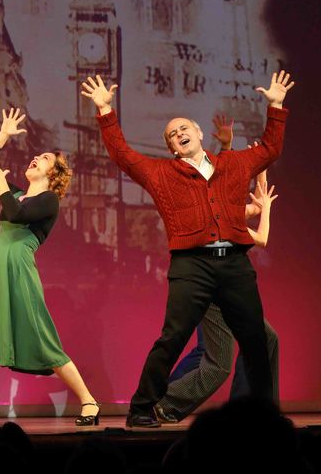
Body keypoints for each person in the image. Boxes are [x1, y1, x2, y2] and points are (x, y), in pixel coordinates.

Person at [82, 71, 294, 427]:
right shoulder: (162, 173)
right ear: (171, 148)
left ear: (198, 133)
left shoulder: (234, 163)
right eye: (172, 135)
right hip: (191, 265)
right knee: (173, 337)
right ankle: (140, 409)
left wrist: (275, 105)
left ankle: (265, 417)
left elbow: (271, 148)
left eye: (183, 129)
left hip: (235, 265)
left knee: (256, 339)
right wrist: (105, 111)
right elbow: (122, 155)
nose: (179, 134)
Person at [0, 108, 99, 428]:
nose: (36, 159)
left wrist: (3, 184)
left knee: (43, 340)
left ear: (54, 174)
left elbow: (16, 214)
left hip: (18, 268)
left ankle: (89, 401)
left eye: (44, 159)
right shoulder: (14, 193)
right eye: (37, 156)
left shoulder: (49, 201)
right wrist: (2, 135)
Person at [155, 125, 281, 423]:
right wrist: (261, 200)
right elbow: (237, 192)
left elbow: (256, 227)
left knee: (265, 340)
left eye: (185, 128)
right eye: (174, 133)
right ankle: (164, 403)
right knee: (216, 363)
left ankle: (253, 411)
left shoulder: (228, 210)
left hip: (229, 287)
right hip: (210, 285)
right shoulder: (196, 196)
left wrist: (262, 189)